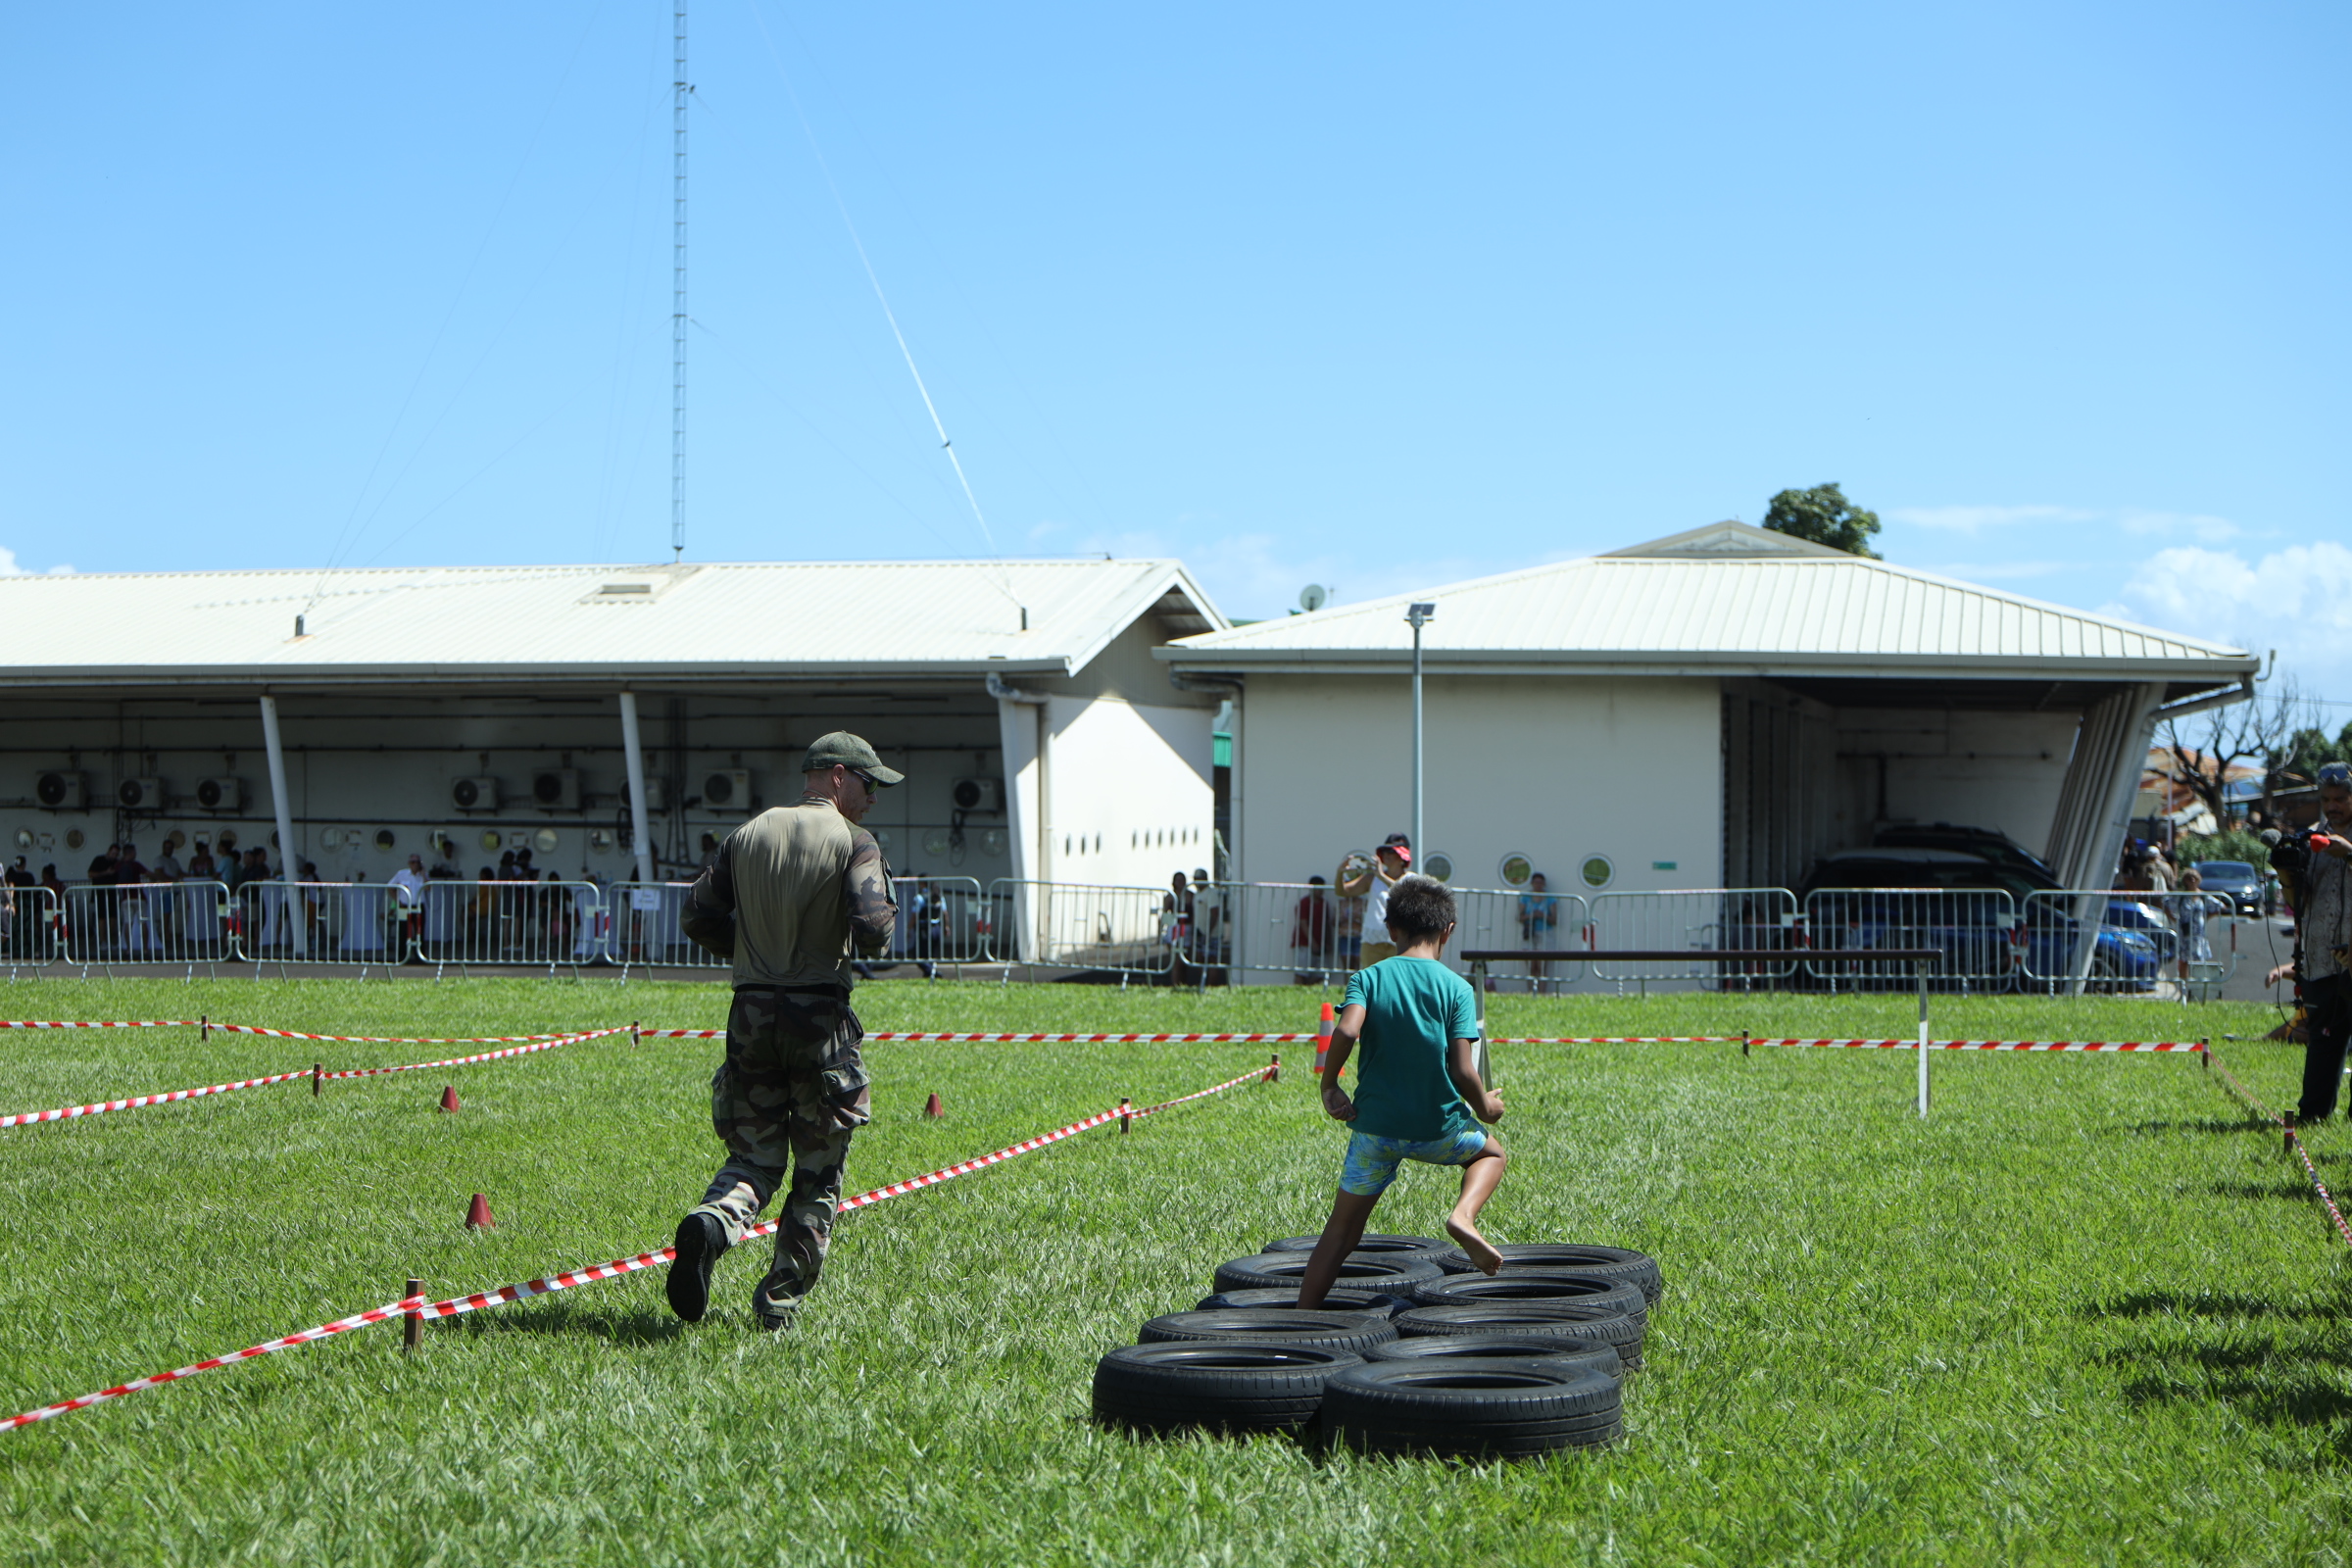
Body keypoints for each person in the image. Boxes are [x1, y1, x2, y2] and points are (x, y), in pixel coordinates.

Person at [667, 731, 901, 1332]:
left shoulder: (747, 834)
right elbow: (873, 926)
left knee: (755, 1156)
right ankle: (778, 1304)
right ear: (839, 777)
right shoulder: (855, 841)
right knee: (818, 1172)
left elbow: (695, 913)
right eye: (869, 785)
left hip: (749, 1014)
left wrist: (744, 949)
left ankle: (713, 1223)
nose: (873, 799)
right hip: (819, 1017)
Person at [1296, 875, 1507, 1307]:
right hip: (1439, 1127)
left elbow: (1348, 1029)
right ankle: (1463, 1216)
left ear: (1390, 929)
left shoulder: (1368, 978)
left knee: (1340, 1233)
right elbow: (1463, 1069)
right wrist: (1486, 1106)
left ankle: (1302, 1318)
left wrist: (1330, 1082)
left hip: (1375, 1129)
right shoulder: (1456, 989)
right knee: (1491, 1154)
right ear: (1448, 930)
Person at [2282, 762, 2352, 1125]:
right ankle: (2313, 1114)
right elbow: (2298, 900)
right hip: (2322, 957)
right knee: (2323, 1037)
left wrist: (2349, 853)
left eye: (2340, 798)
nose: (2333, 805)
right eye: (2326, 799)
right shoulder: (2310, 838)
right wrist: (2286, 873)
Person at [1336, 833, 1412, 968]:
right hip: (1372, 942)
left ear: (1402, 857)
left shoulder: (1412, 879)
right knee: (1373, 985)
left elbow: (1404, 892)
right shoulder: (1372, 878)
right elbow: (1342, 891)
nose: (1387, 854)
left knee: (1397, 984)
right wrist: (1340, 873)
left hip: (1400, 942)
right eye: (1385, 851)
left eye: (1392, 851)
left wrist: (1381, 875)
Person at [1518, 871, 1560, 993]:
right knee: (1531, 966)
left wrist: (1543, 915)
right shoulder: (1526, 898)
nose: (1538, 885)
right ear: (1532, 883)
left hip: (1545, 933)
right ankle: (1531, 992)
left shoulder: (1550, 899)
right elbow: (1519, 917)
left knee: (1541, 967)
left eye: (1540, 882)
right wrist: (1532, 915)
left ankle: (1541, 994)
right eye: (1536, 882)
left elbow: (1554, 919)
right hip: (1529, 933)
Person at [1292, 874, 1336, 983]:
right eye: (1318, 888)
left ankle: (1306, 991)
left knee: (1321, 973)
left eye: (1322, 888)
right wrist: (1313, 942)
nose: (1320, 891)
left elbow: (1326, 923)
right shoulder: (1304, 902)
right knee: (1301, 972)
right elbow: (1303, 923)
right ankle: (1296, 993)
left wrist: (1328, 942)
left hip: (1321, 944)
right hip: (1304, 943)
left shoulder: (1324, 903)